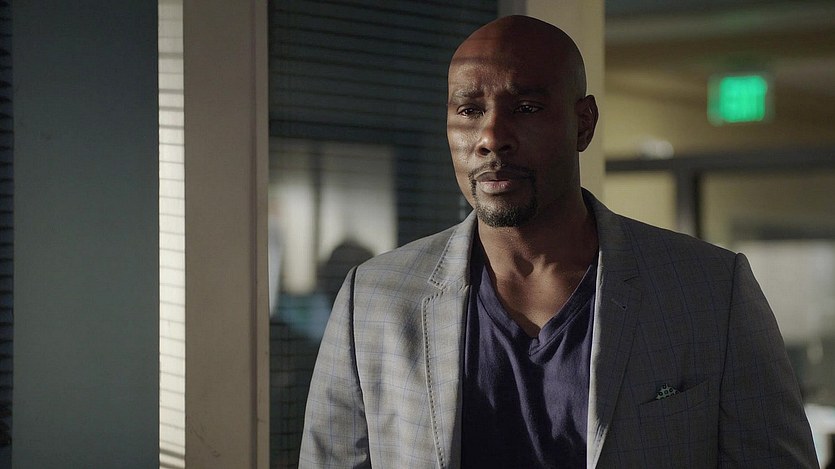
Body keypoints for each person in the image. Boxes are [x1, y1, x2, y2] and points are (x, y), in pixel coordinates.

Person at [299, 15, 818, 468]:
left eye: (525, 108)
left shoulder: (710, 290)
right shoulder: (375, 298)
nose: (491, 137)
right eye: (469, 110)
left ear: (583, 123)